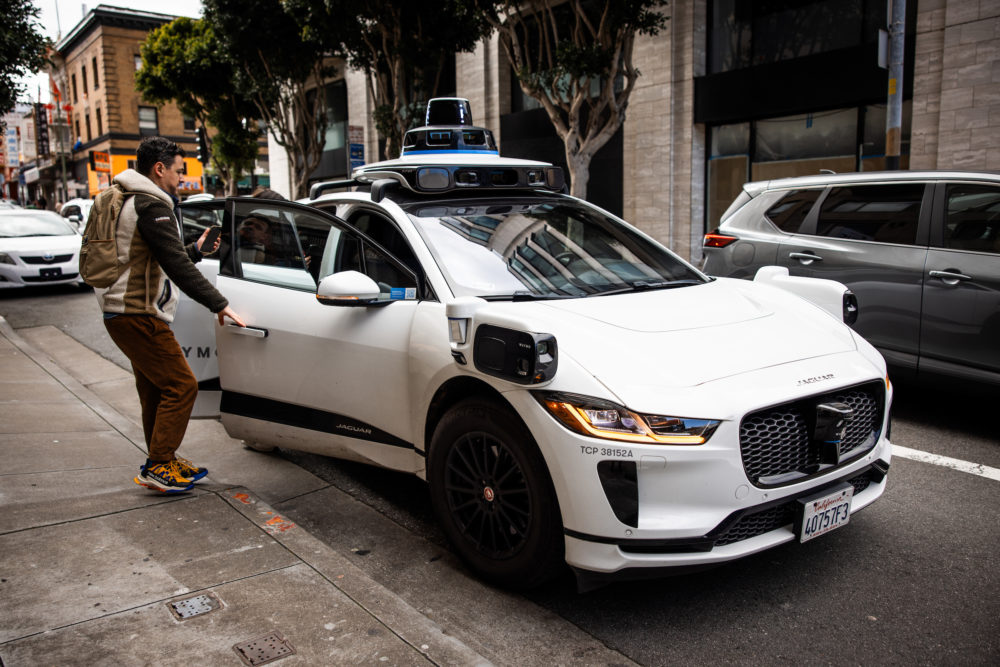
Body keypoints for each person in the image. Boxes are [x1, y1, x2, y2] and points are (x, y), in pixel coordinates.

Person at [96, 136, 246, 493]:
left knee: (155, 390)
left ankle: (162, 458)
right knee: (182, 386)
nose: (181, 179)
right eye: (179, 171)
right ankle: (159, 464)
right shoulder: (152, 204)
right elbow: (174, 264)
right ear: (159, 169)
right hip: (139, 313)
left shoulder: (129, 198)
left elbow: (158, 258)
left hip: (121, 311)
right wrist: (219, 303)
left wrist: (194, 249)